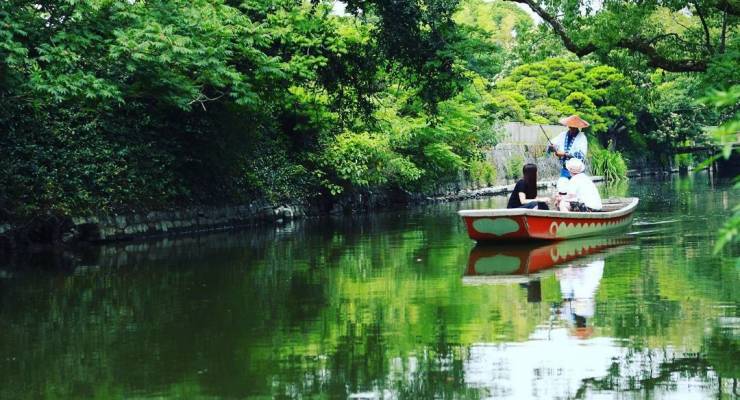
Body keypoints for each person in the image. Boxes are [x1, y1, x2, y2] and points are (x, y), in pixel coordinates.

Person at [547, 115, 589, 193]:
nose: (572, 129)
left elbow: (581, 155)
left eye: (574, 128)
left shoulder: (582, 137)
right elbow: (553, 143)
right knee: (562, 188)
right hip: (565, 168)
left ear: (578, 127)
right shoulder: (563, 135)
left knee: (577, 189)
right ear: (568, 126)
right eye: (570, 127)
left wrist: (564, 154)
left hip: (577, 169)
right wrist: (552, 147)